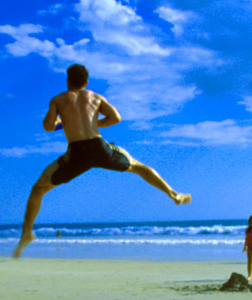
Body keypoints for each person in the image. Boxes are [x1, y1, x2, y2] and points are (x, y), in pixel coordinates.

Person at [14, 64, 191, 258]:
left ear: (67, 81)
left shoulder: (58, 99)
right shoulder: (96, 97)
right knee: (140, 168)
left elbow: (48, 127)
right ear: (86, 82)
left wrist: (63, 122)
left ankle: (27, 233)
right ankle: (174, 194)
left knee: (38, 189)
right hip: (100, 148)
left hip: (76, 153)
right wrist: (92, 123)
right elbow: (115, 118)